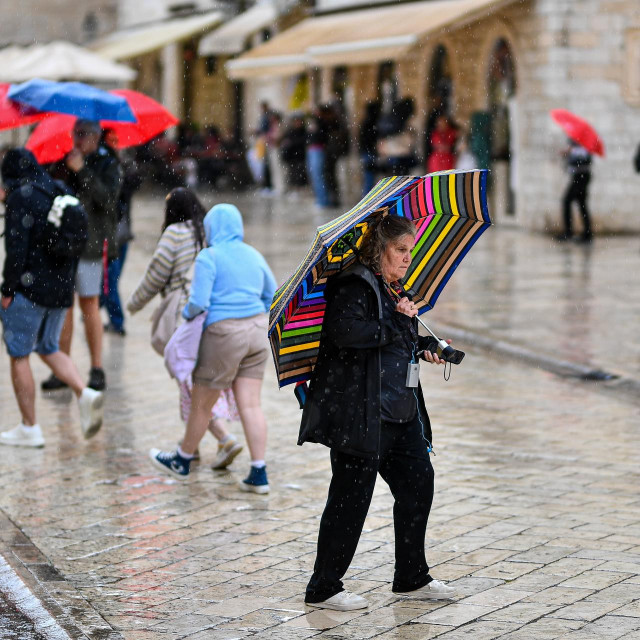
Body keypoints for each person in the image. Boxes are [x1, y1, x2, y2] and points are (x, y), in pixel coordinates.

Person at [299, 214, 457, 611]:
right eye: (399, 250)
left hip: (401, 413)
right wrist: (396, 322)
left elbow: (394, 341)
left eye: (409, 250)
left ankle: (411, 577)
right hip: (362, 413)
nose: (407, 258)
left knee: (419, 485)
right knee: (350, 500)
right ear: (379, 248)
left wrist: (424, 346)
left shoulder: (393, 288)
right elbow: (346, 333)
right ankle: (324, 587)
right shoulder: (353, 283)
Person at [149, 203, 277, 493]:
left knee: (202, 403)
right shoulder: (253, 254)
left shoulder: (209, 257)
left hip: (223, 334)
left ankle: (181, 461)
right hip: (257, 332)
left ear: (211, 229)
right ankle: (259, 473)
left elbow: (198, 303)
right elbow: (271, 293)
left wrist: (186, 319)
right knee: (251, 404)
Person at [127, 188, 243, 468]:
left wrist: (134, 303)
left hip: (186, 315)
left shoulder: (175, 233)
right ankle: (190, 445)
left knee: (190, 381)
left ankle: (224, 438)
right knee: (200, 378)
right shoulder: (210, 232)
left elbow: (156, 274)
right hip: (214, 313)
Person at [0, 149, 104, 448]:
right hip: (60, 290)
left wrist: (8, 290)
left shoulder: (22, 196)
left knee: (19, 354)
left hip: (29, 289)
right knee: (48, 347)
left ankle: (29, 428)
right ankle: (85, 392)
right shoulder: (58, 188)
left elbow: (16, 251)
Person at [42, 119, 122, 392]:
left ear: (96, 136)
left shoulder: (108, 163)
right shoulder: (64, 160)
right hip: (64, 244)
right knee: (63, 305)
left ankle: (96, 367)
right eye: (75, 134)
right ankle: (62, 368)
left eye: (84, 134)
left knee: (89, 304)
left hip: (91, 244)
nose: (78, 139)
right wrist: (65, 168)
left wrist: (84, 170)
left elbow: (107, 200)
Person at [101, 129, 141, 336]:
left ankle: (115, 319)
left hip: (120, 233)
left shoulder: (124, 167)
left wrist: (122, 167)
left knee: (110, 280)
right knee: (108, 280)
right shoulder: (105, 167)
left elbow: (133, 186)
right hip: (110, 233)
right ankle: (111, 316)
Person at [557, 139, 592, 243]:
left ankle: (570, 232)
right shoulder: (574, 144)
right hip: (577, 176)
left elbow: (585, 159)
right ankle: (586, 233)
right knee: (581, 203)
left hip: (581, 177)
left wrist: (571, 152)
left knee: (567, 201)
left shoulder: (584, 144)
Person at [359, 101, 381, 195]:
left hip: (367, 152)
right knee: (369, 178)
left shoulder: (366, 122)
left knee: (369, 178)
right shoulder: (372, 123)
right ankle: (367, 198)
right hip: (370, 153)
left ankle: (367, 197)